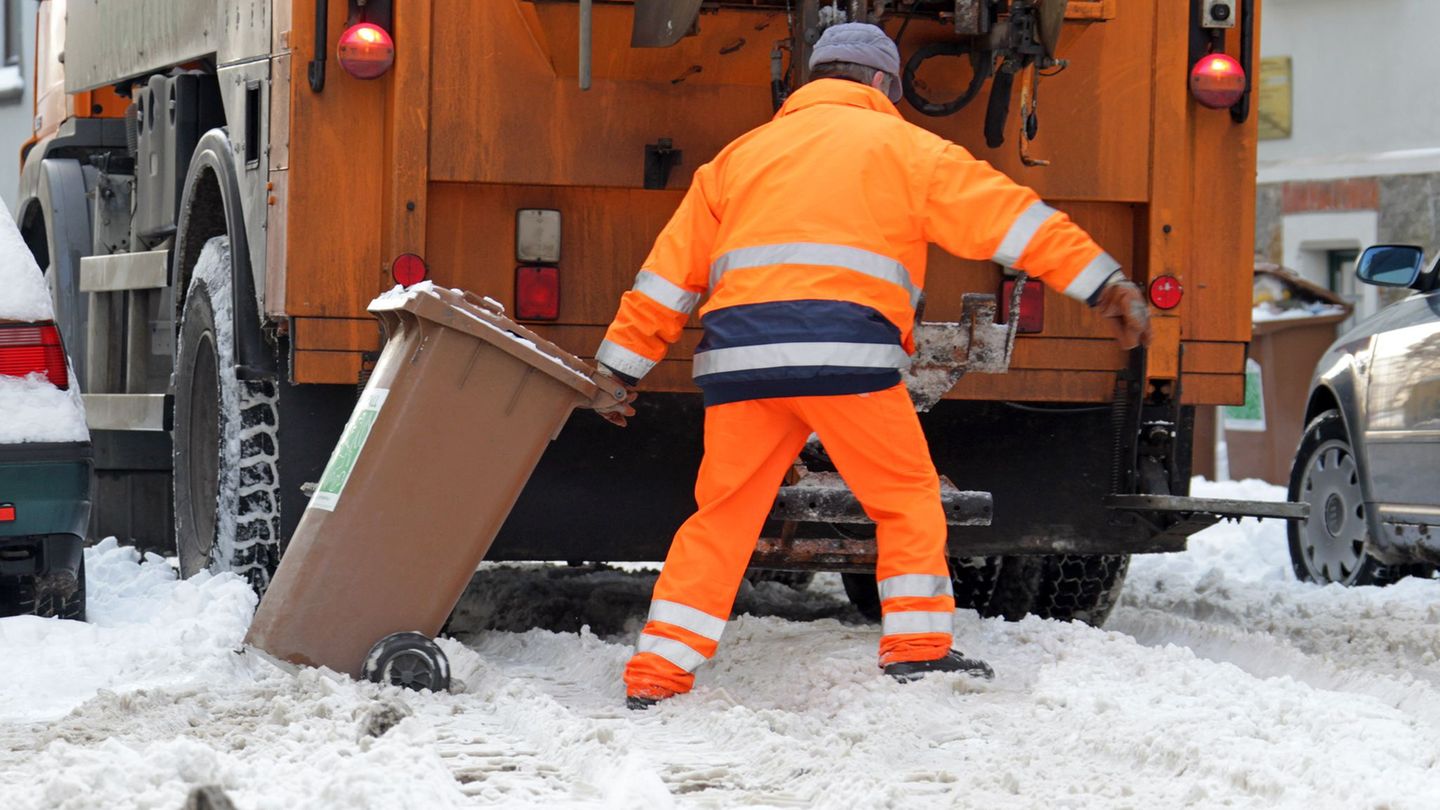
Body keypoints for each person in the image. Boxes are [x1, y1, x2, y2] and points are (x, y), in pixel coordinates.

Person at [588, 22, 1152, 709]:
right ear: (883, 84)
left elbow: (666, 278)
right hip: (848, 363)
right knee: (906, 499)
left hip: (740, 370)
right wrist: (1104, 282)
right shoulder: (909, 150)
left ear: (813, 78)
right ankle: (917, 649)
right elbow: (1016, 222)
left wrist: (620, 371)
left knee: (722, 519)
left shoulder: (738, 159)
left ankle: (657, 673)